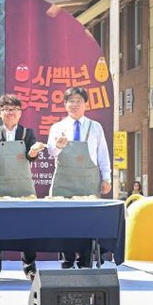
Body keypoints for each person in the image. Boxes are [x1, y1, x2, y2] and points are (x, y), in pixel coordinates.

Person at [0, 94, 45, 280]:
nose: (10, 113)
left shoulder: (27, 133)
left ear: (20, 113)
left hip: (23, 186)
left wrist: (34, 149)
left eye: (14, 109)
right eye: (6, 109)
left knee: (28, 227)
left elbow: (31, 156)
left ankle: (30, 267)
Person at [48, 86, 112, 269]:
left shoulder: (95, 127)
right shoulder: (58, 127)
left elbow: (102, 154)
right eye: (71, 101)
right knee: (64, 220)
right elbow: (51, 152)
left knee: (87, 220)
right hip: (64, 180)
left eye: (78, 101)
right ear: (65, 105)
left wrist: (106, 178)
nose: (74, 105)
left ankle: (85, 259)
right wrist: (58, 146)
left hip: (88, 180)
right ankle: (67, 258)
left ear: (86, 104)